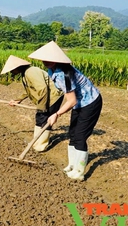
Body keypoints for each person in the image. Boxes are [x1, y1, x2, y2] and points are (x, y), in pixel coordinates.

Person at [28, 41, 103, 181]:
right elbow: (67, 96)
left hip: (91, 102)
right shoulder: (52, 71)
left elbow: (71, 100)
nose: (46, 62)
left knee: (80, 136)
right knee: (72, 133)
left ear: (57, 59)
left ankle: (79, 171)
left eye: (50, 59)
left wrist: (56, 114)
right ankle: (72, 165)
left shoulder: (63, 74)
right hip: (79, 103)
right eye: (44, 59)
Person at [0, 55, 64, 152]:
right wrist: (18, 99)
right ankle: (36, 142)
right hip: (48, 97)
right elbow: (30, 89)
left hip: (53, 97)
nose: (11, 72)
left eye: (12, 70)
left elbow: (42, 89)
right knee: (40, 118)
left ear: (17, 67)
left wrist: (42, 107)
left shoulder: (31, 72)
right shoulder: (26, 73)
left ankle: (40, 146)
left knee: (45, 120)